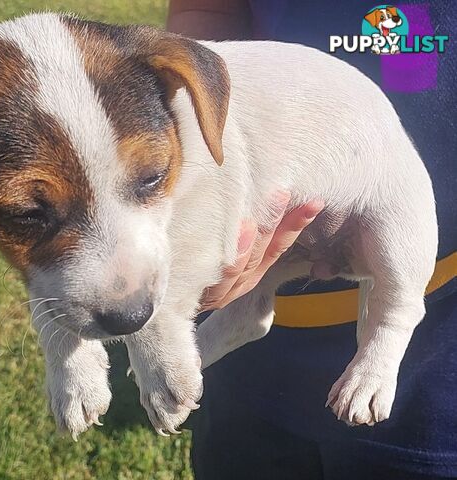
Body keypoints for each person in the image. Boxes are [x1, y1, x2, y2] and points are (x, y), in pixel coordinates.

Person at [166, 1, 457, 479]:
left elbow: (413, 64)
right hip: (262, 361)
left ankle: (387, 336)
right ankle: (230, 327)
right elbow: (208, 10)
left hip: (437, 348)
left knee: (399, 218)